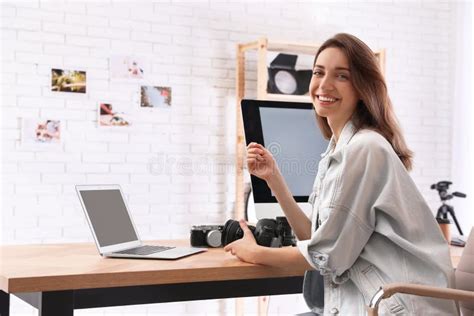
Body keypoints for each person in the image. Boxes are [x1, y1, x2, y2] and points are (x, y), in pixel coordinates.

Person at [224, 33, 457, 315]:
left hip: (394, 308)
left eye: (341, 76)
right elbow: (317, 237)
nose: (324, 85)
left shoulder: (365, 148)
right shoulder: (340, 149)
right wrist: (274, 178)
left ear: (362, 87)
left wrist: (256, 253)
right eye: (318, 72)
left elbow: (328, 256)